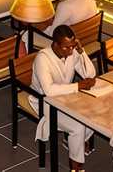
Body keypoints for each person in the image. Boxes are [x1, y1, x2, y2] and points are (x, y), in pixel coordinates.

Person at [31, 25, 98, 172]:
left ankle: (75, 142)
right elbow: (48, 90)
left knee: (94, 114)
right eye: (66, 47)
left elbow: (90, 73)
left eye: (73, 46)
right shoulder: (43, 59)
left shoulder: (73, 53)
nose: (70, 51)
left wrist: (81, 51)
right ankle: (76, 167)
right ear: (55, 44)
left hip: (66, 98)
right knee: (78, 127)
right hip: (45, 102)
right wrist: (77, 86)